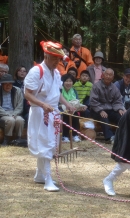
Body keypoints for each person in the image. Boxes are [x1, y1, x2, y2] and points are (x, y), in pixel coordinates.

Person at [24, 41, 75, 192]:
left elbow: (56, 93)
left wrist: (67, 104)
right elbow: (27, 94)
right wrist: (42, 104)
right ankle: (48, 179)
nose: (57, 62)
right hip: (40, 112)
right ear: (46, 56)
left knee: (50, 143)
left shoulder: (57, 72)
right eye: (54, 59)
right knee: (45, 143)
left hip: (53, 112)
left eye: (58, 59)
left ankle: (40, 175)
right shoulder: (36, 71)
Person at [90, 68, 125, 143]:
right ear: (103, 75)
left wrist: (119, 109)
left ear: (113, 77)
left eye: (110, 75)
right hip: (97, 110)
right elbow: (93, 101)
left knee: (120, 117)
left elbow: (118, 100)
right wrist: (100, 110)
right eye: (107, 74)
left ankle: (121, 136)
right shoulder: (96, 86)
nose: (108, 77)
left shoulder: (114, 88)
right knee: (104, 117)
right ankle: (109, 137)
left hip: (110, 109)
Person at [60, 73, 87, 143]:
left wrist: (82, 106)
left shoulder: (74, 91)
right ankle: (64, 136)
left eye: (70, 81)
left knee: (76, 115)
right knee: (66, 115)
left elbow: (77, 102)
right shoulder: (59, 90)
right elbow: (57, 102)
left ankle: (75, 135)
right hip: (61, 108)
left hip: (72, 109)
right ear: (63, 82)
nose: (68, 83)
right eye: (66, 81)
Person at [0, 74, 25, 146]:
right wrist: (8, 115)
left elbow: (20, 105)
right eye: (6, 84)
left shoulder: (17, 90)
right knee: (10, 120)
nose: (8, 86)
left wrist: (14, 114)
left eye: (10, 84)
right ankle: (6, 139)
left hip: (15, 113)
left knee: (20, 120)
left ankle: (18, 139)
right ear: (2, 84)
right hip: (3, 114)